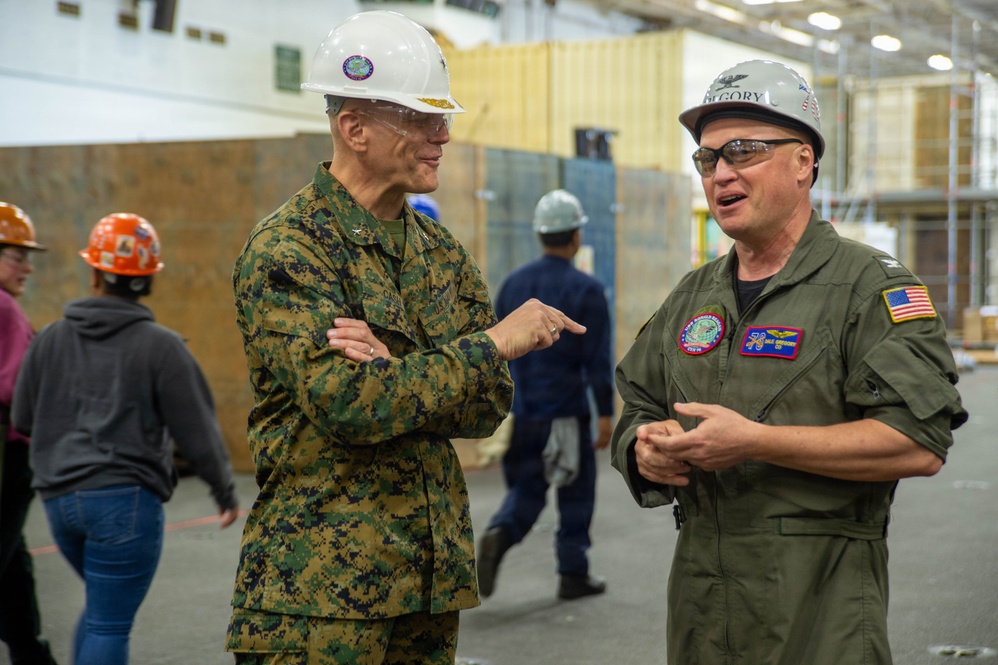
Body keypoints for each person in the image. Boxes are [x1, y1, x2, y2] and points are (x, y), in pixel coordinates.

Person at [225, 10, 584, 665]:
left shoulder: (438, 252)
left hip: (426, 577)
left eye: (440, 117)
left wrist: (398, 371)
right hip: (318, 597)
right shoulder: (288, 249)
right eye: (419, 118)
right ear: (353, 128)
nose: (441, 134)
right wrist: (487, 345)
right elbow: (350, 405)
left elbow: (485, 405)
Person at [610, 59, 967, 665]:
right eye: (708, 157)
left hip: (819, 616)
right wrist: (642, 447)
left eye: (743, 151)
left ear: (803, 162)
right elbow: (639, 400)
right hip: (702, 611)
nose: (721, 172)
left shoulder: (868, 289)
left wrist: (756, 443)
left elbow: (918, 443)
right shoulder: (694, 295)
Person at [11, 212, 239, 665]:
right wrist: (224, 490)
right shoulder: (162, 346)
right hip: (124, 506)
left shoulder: (50, 338)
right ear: (149, 278)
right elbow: (197, 431)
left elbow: (23, 417)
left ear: (94, 272)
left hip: (59, 503)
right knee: (109, 624)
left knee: (100, 612)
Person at [477, 189, 614, 601]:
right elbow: (596, 361)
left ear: (541, 235)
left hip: (521, 413)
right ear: (575, 237)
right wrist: (605, 414)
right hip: (566, 413)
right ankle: (573, 572)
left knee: (527, 488)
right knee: (575, 490)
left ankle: (500, 531)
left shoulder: (514, 285)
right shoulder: (586, 290)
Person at [0, 202, 58, 665]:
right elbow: (21, 390)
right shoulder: (5, 308)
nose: (27, 266)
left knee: (13, 562)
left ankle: (28, 651)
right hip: (9, 459)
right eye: (17, 255)